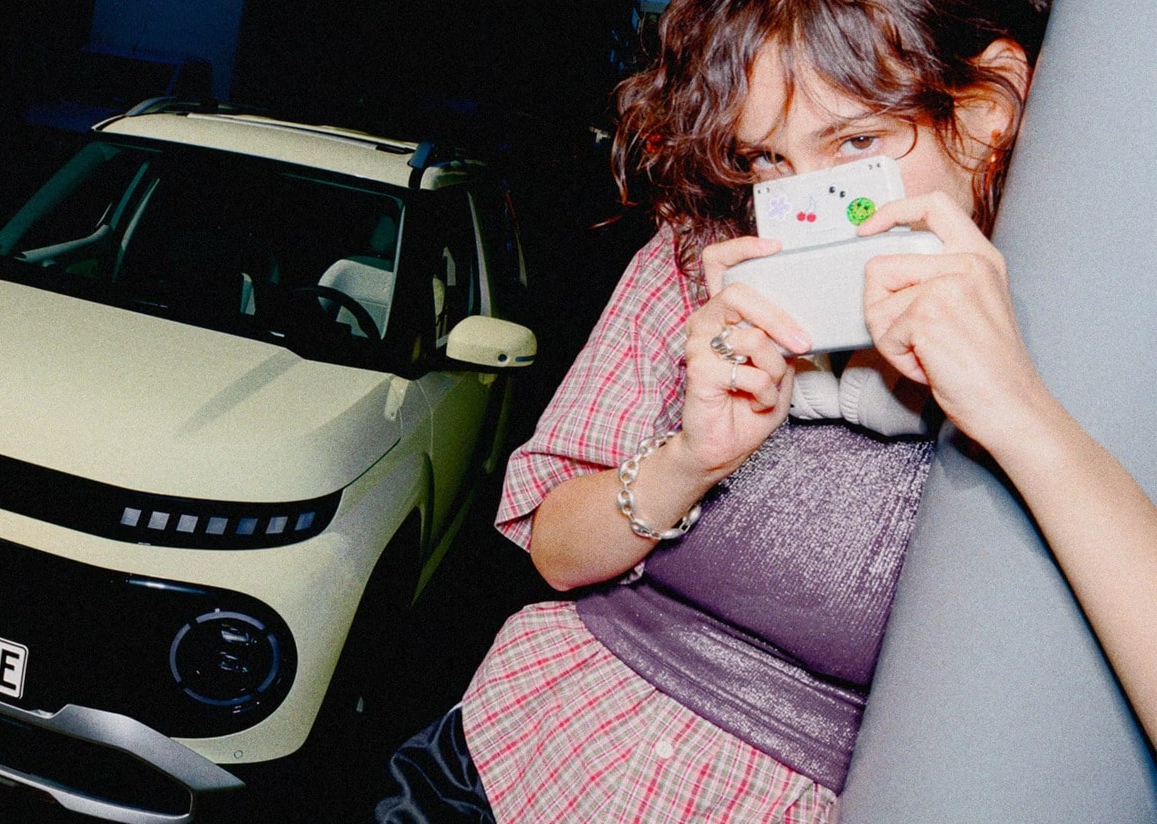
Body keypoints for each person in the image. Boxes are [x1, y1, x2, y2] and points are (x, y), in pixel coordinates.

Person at [368, 0, 1157, 820]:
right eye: (769, 158)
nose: (809, 198)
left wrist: (1013, 407)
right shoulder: (706, 261)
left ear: (986, 108)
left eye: (857, 142)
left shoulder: (1096, 345)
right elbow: (556, 553)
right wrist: (690, 460)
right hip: (508, 757)